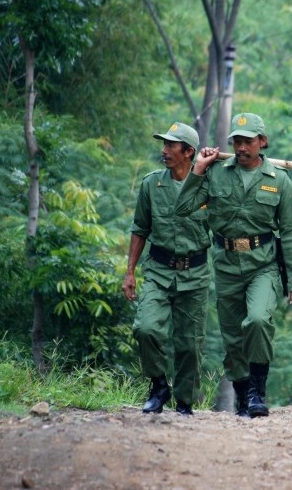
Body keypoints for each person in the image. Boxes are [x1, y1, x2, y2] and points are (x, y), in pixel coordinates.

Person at [175, 112, 292, 418]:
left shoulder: (278, 180)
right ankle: (241, 396)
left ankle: (257, 392)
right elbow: (183, 208)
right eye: (236, 141)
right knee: (233, 337)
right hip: (225, 265)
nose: (241, 147)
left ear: (262, 142)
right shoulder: (216, 173)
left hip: (262, 264)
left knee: (258, 321)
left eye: (248, 141)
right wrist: (198, 169)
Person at [122, 121, 212, 415]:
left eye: (171, 146)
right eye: (164, 145)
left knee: (190, 344)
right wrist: (130, 271)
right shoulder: (151, 184)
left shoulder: (209, 186)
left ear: (189, 152)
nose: (164, 151)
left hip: (195, 275)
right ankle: (159, 385)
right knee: (146, 328)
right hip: (159, 272)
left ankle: (185, 402)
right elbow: (140, 228)